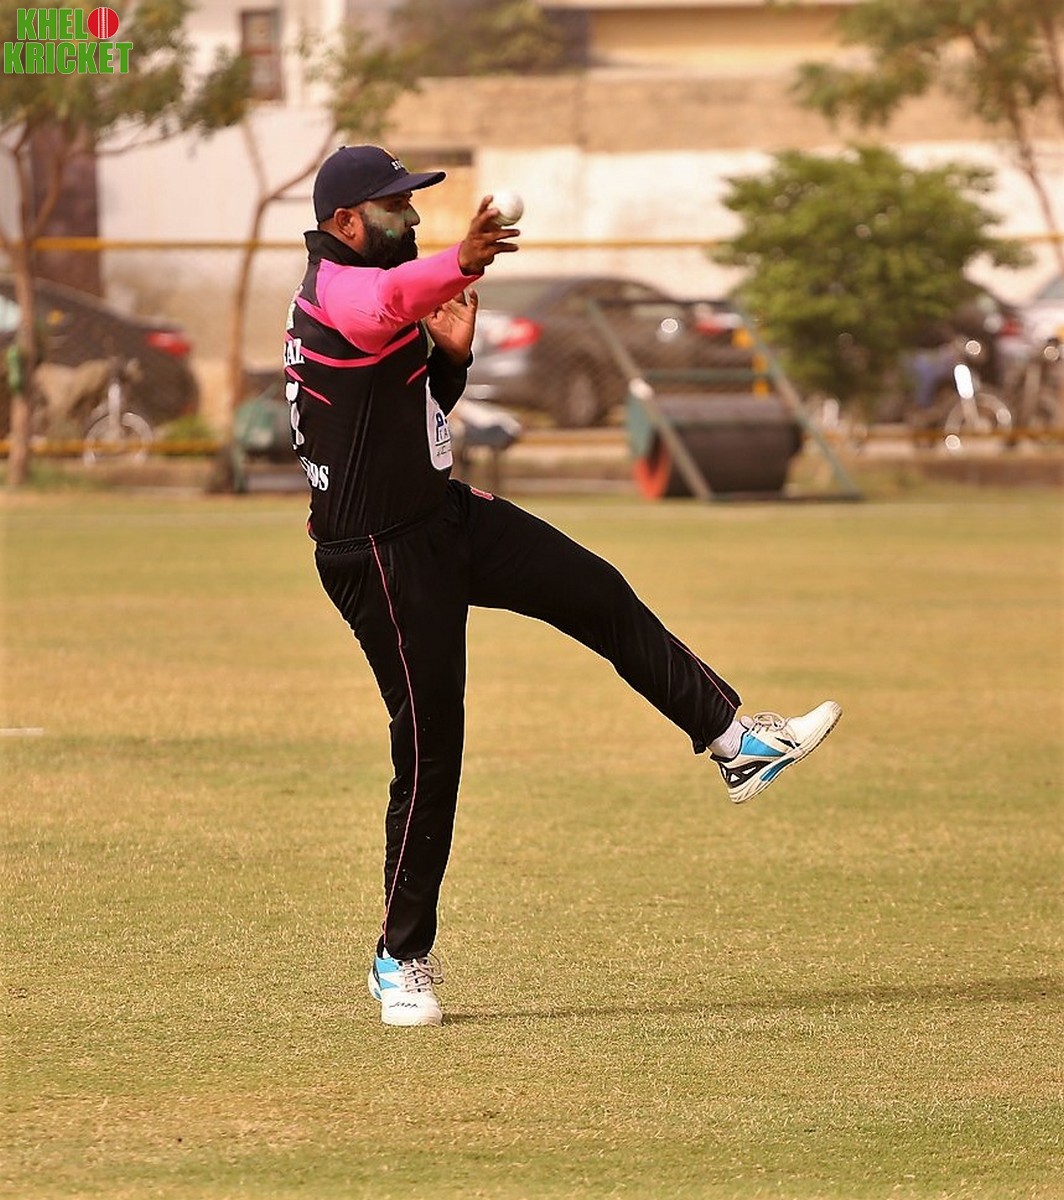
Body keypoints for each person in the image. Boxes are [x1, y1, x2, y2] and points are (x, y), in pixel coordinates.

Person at [284, 145, 842, 1028]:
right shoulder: (337, 294)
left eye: (414, 204)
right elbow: (385, 301)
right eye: (396, 207)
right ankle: (400, 958)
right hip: (380, 557)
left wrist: (452, 362)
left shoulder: (373, 289)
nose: (413, 217)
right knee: (430, 751)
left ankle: (735, 742)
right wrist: (463, 260)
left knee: (595, 589)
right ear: (346, 223)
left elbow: (404, 420)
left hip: (437, 518)